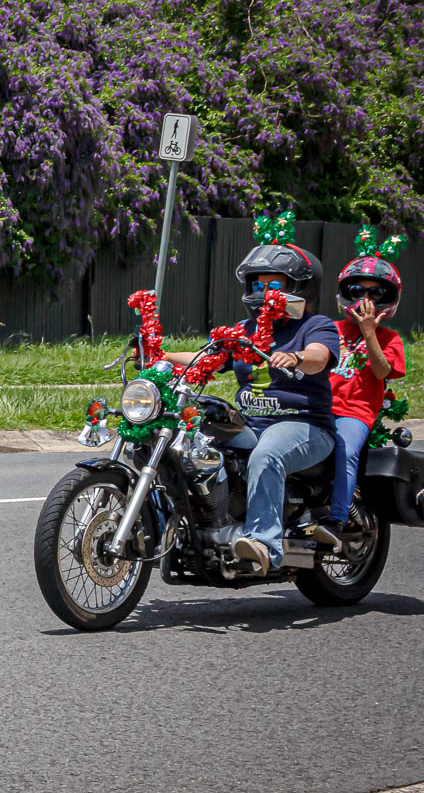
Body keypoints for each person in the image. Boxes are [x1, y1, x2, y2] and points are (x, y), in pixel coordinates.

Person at [164, 241, 339, 573]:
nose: (264, 292)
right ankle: (214, 524)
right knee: (197, 443)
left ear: (299, 286)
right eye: (258, 285)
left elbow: (318, 357)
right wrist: (162, 356)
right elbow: (206, 359)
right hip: (252, 424)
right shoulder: (243, 331)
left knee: (266, 455)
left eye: (274, 284)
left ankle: (264, 545)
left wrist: (296, 356)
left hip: (306, 425)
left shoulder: (315, 326)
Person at [317, 252, 406, 545]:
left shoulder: (390, 339)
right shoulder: (329, 329)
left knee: (345, 450)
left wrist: (369, 333)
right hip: (318, 407)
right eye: (357, 291)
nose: (365, 299)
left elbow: (382, 371)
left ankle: (337, 520)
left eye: (374, 292)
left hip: (354, 412)